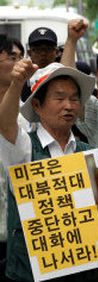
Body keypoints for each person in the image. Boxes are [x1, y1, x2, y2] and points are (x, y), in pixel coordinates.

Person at [0, 60, 98, 281]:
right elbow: (5, 123)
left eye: (74, 98)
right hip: (29, 273)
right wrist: (16, 84)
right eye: (59, 98)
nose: (68, 105)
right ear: (37, 106)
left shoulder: (89, 153)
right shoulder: (24, 148)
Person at [0, 34, 27, 282]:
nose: (20, 63)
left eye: (21, 57)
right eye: (12, 57)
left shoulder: (26, 116)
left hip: (17, 236)